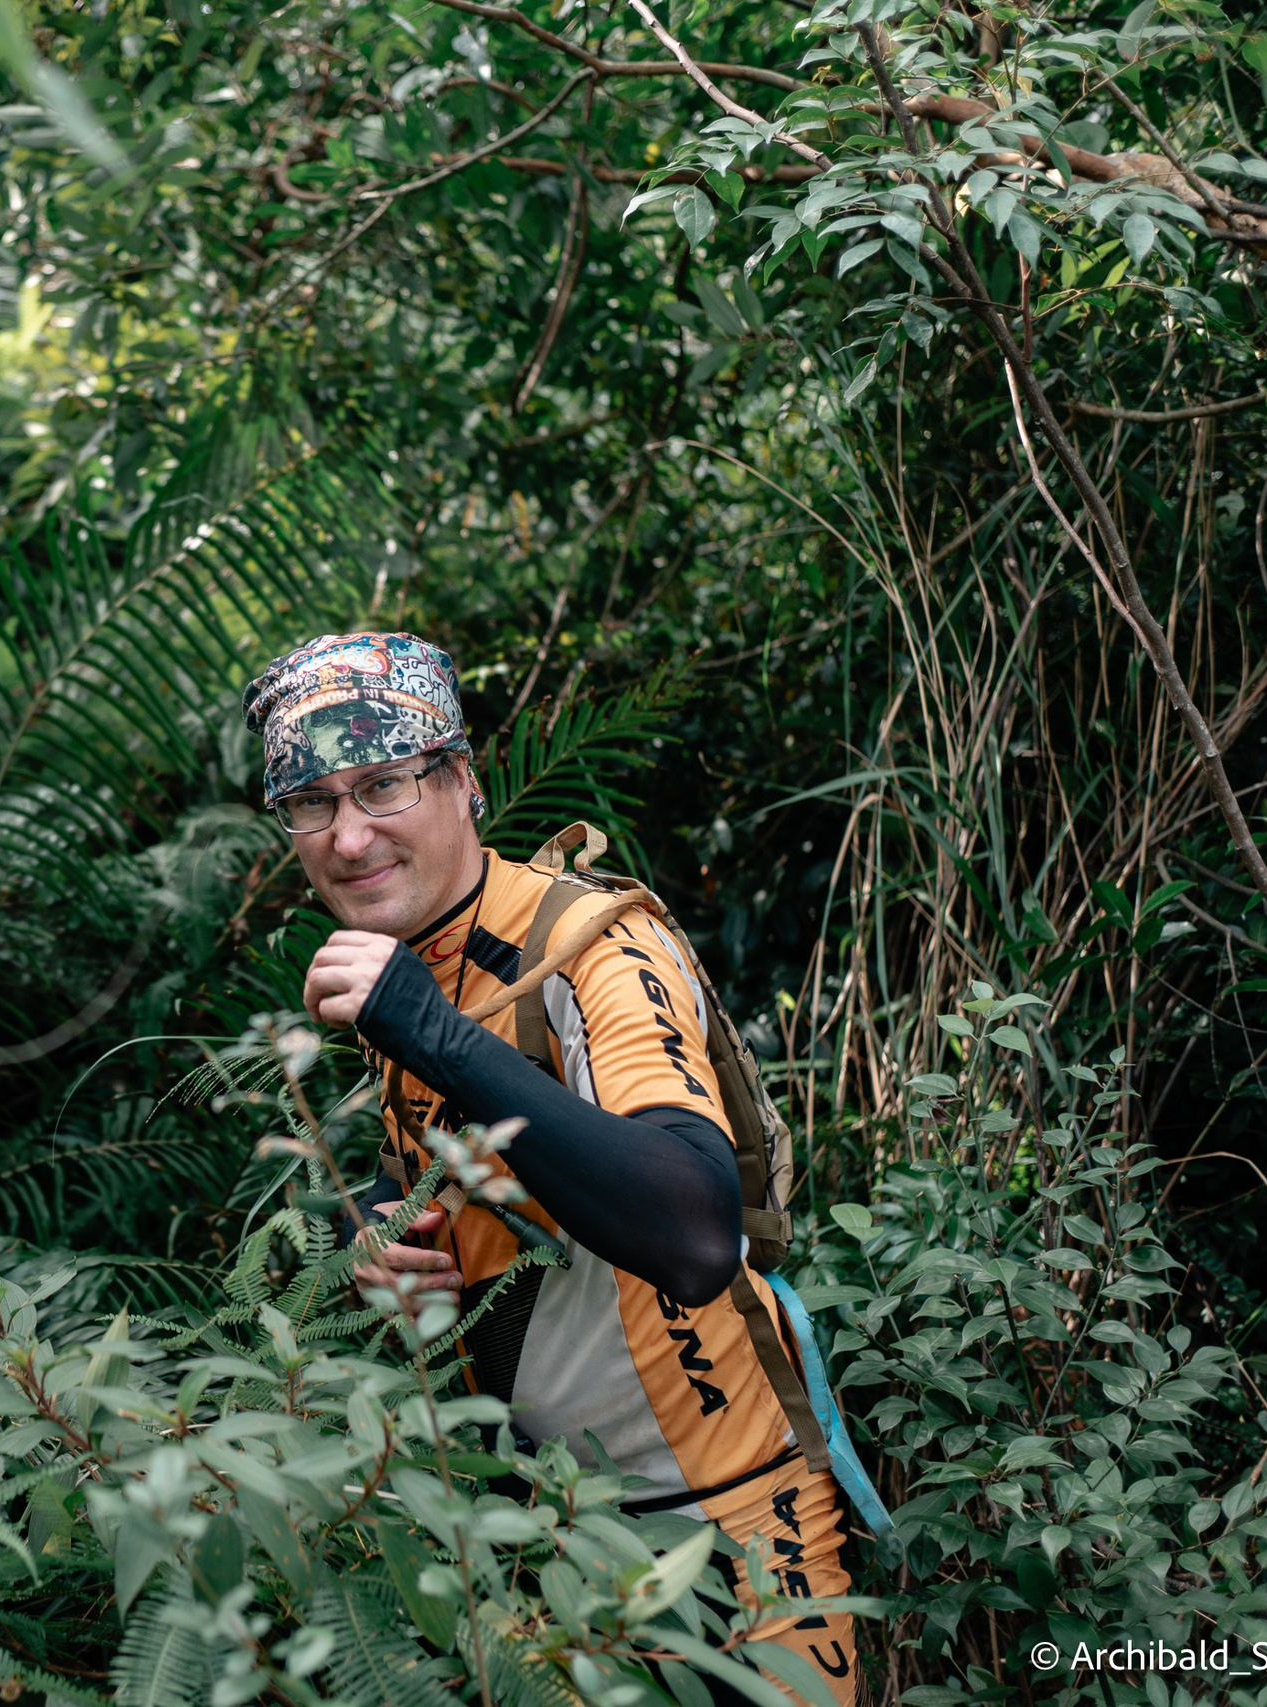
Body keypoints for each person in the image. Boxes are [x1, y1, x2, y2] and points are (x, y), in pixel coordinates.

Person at [242, 630, 857, 1702]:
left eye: (383, 785)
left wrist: (428, 1031)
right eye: (311, 802)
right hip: (552, 1552)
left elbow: (695, 1235)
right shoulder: (410, 966)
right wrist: (371, 1239)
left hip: (732, 1525)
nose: (348, 836)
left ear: (461, 780)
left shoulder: (590, 949)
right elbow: (430, 1165)